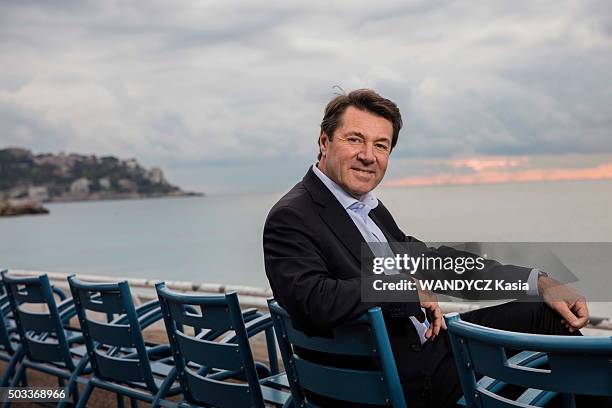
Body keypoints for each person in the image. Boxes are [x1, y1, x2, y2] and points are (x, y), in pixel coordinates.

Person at [263, 89, 594, 408]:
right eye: (355, 139)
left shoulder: (368, 209)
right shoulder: (293, 215)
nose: (368, 155)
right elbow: (312, 300)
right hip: (399, 378)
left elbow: (435, 264)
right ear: (324, 141)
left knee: (540, 307)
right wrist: (404, 289)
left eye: (381, 145)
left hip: (414, 353)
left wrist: (534, 280)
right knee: (547, 330)